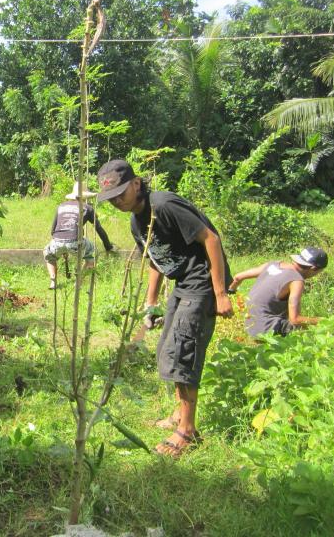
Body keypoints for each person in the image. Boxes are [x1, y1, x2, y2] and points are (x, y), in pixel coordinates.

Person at [96, 160, 233, 459]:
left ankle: (187, 431)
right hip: (183, 283)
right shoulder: (136, 221)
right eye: (111, 198)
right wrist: (151, 303)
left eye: (121, 193)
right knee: (167, 349)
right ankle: (179, 413)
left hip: (203, 284)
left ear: (135, 184)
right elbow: (155, 261)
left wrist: (221, 293)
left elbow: (211, 238)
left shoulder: (164, 205)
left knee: (183, 350)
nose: (117, 201)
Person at [229, 247, 328, 338]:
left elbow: (238, 277)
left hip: (248, 323)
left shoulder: (273, 264)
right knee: (308, 335)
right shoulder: (297, 281)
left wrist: (230, 293)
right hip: (265, 330)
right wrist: (324, 321)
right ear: (313, 269)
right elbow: (295, 319)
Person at [44, 181, 114, 290]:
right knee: (92, 253)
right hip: (75, 243)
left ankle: (53, 279)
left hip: (57, 241)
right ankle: (79, 281)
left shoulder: (61, 206)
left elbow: (53, 230)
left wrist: (62, 246)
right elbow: (99, 229)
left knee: (49, 255)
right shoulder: (87, 208)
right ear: (85, 196)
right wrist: (108, 246)